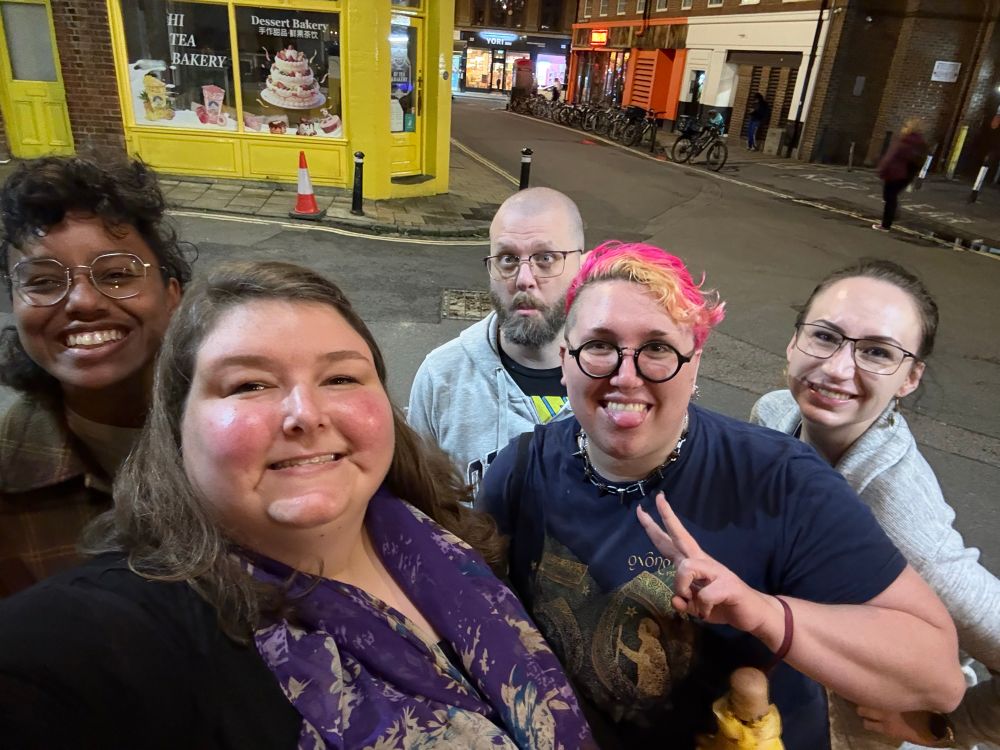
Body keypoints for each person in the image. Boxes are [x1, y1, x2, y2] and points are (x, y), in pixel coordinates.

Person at [0, 261, 597, 750]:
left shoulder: (446, 542)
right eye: (249, 385)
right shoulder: (128, 633)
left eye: (341, 379)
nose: (305, 414)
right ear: (177, 429)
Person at [477, 241, 965, 749]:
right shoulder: (520, 471)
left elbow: (938, 677)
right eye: (599, 345)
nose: (626, 375)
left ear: (694, 364)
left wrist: (762, 612)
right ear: (564, 360)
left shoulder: (779, 482)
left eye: (658, 349)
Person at [750, 259, 1000, 750]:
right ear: (794, 341)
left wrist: (952, 727)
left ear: (909, 378)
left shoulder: (897, 518)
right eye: (825, 336)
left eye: (878, 352)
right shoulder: (775, 414)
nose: (837, 368)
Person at [0, 156, 190, 595]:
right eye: (43, 282)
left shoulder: (257, 427)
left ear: (171, 296)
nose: (83, 302)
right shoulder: (8, 482)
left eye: (117, 275)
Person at [408, 188, 585, 490]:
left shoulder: (618, 377)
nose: (523, 279)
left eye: (546, 258)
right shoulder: (442, 376)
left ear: (583, 264)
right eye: (507, 259)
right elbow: (418, 502)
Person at [873, 119, 928, 232]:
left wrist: (882, 169)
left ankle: (886, 224)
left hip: (895, 173)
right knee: (891, 196)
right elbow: (920, 160)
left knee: (889, 197)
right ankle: (891, 216)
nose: (903, 128)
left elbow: (891, 157)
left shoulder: (905, 141)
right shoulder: (921, 143)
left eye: (906, 126)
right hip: (907, 174)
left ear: (910, 128)